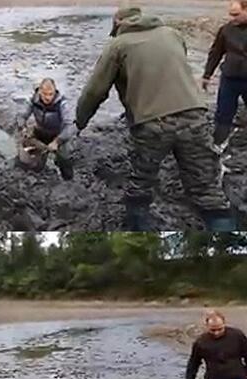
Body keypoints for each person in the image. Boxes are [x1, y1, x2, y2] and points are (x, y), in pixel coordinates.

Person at [75, 7, 235, 231]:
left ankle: (137, 236)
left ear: (118, 23)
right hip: (195, 116)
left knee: (141, 184)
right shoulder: (171, 34)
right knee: (208, 191)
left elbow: (95, 92)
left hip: (152, 125)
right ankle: (226, 244)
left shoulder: (117, 45)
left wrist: (79, 122)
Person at [203, 1, 247, 155]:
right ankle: (217, 146)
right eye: (231, 14)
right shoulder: (226, 30)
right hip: (230, 79)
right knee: (223, 113)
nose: (232, 18)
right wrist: (207, 75)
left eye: (236, 14)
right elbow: (215, 53)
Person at [16, 78, 76, 180]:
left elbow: (69, 126)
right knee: (33, 162)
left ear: (55, 92)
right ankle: (38, 172)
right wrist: (23, 128)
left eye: (50, 94)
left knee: (65, 162)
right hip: (41, 131)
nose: (48, 98)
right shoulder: (33, 100)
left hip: (59, 135)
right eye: (45, 94)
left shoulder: (62, 104)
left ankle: (68, 179)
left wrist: (57, 141)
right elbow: (21, 116)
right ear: (39, 92)